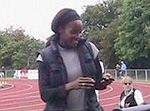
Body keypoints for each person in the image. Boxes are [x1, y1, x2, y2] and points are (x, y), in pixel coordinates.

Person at [37, 8, 114, 111]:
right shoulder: (45, 57)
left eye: (80, 32)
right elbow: (45, 95)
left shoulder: (90, 49)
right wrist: (70, 86)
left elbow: (97, 83)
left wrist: (104, 81)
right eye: (73, 32)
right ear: (61, 29)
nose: (78, 36)